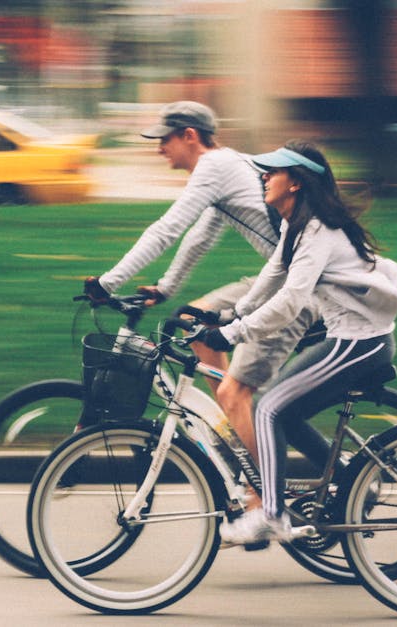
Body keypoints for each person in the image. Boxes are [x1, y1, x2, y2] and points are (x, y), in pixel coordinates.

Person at [199, 140, 397, 545]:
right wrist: (231, 313)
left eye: (272, 172)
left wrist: (231, 334)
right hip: (350, 340)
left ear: (295, 182)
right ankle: (350, 480)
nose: (263, 176)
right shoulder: (297, 225)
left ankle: (272, 514)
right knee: (286, 413)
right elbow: (272, 277)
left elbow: (290, 302)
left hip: (359, 344)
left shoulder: (318, 230)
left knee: (268, 410)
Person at [83, 101, 320, 457]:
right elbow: (200, 237)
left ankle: (261, 494)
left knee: (237, 392)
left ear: (189, 136)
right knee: (194, 319)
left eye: (165, 139)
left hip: (301, 288)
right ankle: (234, 432)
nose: (159, 148)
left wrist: (108, 282)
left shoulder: (214, 166)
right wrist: (166, 288)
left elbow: (168, 229)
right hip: (282, 276)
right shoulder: (226, 166)